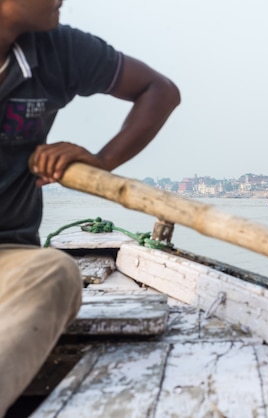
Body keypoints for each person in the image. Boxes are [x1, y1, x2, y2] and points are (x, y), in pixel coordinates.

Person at [0, 1, 180, 414]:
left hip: (8, 255)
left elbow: (160, 91)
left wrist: (102, 160)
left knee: (57, 273)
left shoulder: (56, 50)